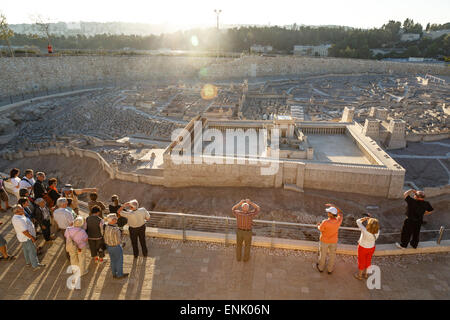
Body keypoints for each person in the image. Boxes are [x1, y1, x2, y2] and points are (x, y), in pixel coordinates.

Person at [11, 205, 45, 269]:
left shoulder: (18, 216)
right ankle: (35, 265)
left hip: (23, 238)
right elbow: (24, 231)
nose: (23, 209)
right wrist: (32, 237)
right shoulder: (19, 220)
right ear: (17, 211)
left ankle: (28, 262)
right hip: (27, 238)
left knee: (26, 250)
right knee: (32, 251)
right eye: (21, 208)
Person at [316, 204, 343, 274]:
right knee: (332, 256)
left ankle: (321, 268)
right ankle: (330, 270)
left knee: (323, 254)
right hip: (334, 241)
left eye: (328, 212)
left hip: (324, 241)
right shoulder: (338, 220)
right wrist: (335, 206)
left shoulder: (325, 222)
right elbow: (341, 213)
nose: (327, 213)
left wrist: (318, 225)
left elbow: (321, 229)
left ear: (331, 214)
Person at [354, 216, 380, 280]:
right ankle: (366, 274)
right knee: (368, 260)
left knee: (361, 261)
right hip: (371, 248)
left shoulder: (365, 231)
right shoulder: (378, 232)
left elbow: (358, 221)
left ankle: (359, 275)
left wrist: (364, 218)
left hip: (363, 248)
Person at [103, 214, 128, 279]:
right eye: (116, 219)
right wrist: (122, 243)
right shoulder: (116, 229)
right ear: (113, 220)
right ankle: (119, 274)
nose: (117, 220)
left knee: (113, 260)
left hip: (108, 246)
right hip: (116, 247)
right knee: (119, 260)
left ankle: (114, 273)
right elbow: (118, 240)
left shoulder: (105, 226)